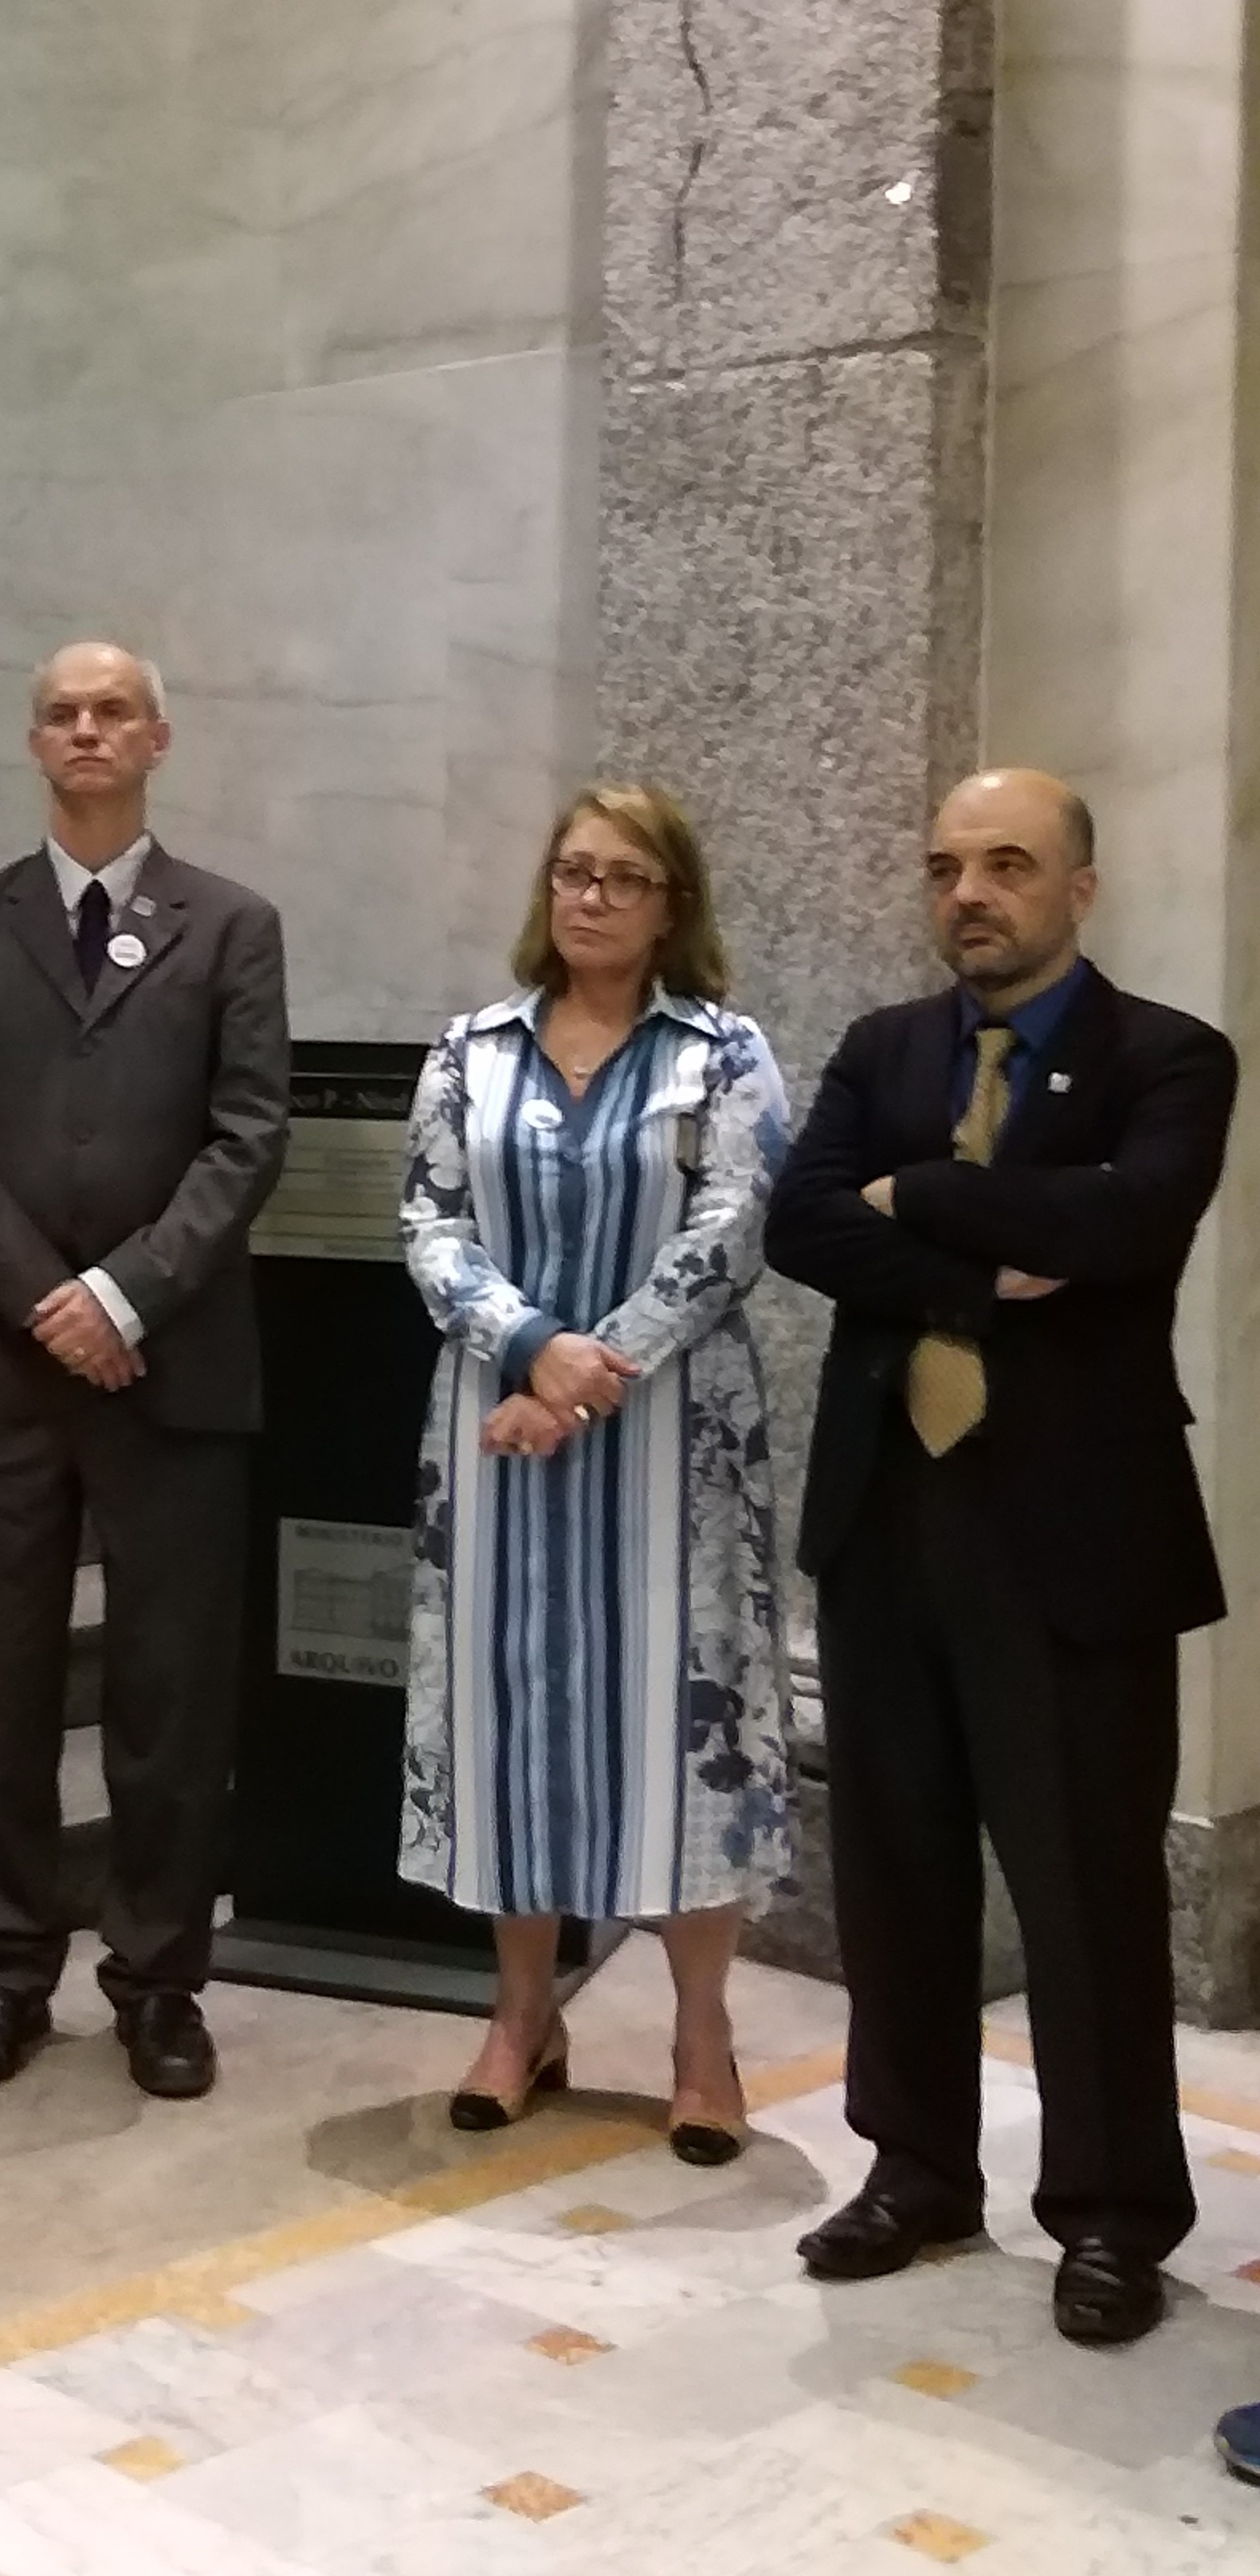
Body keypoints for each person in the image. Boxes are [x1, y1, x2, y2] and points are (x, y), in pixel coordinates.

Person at [766, 769, 1236, 2348]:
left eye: (1007, 865)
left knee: (1086, 1891)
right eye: (944, 867)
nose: (968, 893)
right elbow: (798, 1224)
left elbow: (1131, 1227)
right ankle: (915, 2171)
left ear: (1077, 887)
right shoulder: (878, 1048)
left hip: (1073, 1539)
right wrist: (986, 1264)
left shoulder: (1168, 1055)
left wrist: (917, 1195)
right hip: (885, 1517)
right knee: (894, 1870)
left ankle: (1109, 2216)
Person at [0, 642, 289, 2100]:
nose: (85, 729)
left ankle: (159, 1979)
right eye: (61, 712)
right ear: (34, 741)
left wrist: (125, 1292)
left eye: (111, 710)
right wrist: (45, 1299)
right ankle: (3, 1971)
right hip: (8, 1368)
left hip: (172, 1363)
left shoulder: (231, 925)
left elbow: (249, 1133)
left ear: (156, 738)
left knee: (168, 1692)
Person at [398, 786, 792, 2155]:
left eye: (624, 877)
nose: (591, 897)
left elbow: (731, 1229)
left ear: (671, 904)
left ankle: (699, 2036)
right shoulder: (468, 1051)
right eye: (573, 871)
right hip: (494, 1431)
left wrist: (584, 1372)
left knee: (685, 1723)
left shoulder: (723, 1052)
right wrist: (529, 1345)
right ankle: (522, 2016)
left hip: (674, 1441)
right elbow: (430, 1223)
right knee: (514, 1712)